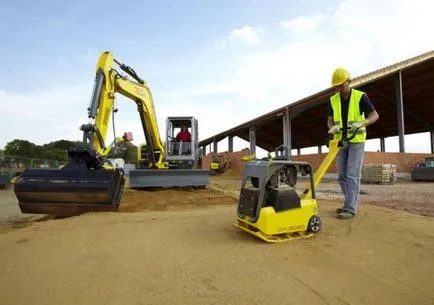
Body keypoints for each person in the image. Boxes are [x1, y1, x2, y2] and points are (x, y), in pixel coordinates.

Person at [327, 67, 379, 219]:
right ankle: (348, 202)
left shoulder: (360, 97)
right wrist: (332, 127)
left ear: (349, 82)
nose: (338, 89)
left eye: (341, 86)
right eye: (336, 87)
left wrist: (363, 123)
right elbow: (329, 120)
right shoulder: (333, 100)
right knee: (342, 176)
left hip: (356, 141)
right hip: (341, 141)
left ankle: (350, 208)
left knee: (352, 175)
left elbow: (374, 115)